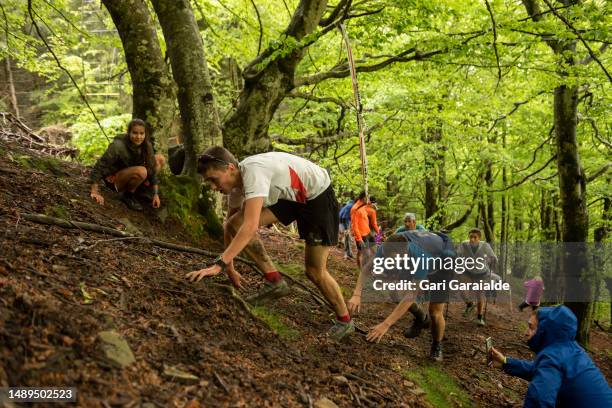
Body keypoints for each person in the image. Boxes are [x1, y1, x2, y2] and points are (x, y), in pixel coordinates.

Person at [185, 147, 354, 341]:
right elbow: (230, 226)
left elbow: (250, 227)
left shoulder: (254, 173)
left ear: (230, 168)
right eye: (209, 182)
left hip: (317, 196)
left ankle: (345, 321)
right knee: (235, 223)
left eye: (214, 180)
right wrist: (229, 267)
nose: (213, 187)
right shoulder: (237, 184)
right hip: (291, 197)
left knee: (314, 271)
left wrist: (219, 264)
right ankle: (275, 282)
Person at [490, 306, 612, 407]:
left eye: (531, 327)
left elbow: (538, 401)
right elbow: (539, 369)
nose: (526, 332)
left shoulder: (553, 356)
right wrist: (505, 362)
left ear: (544, 330)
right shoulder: (571, 349)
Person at [364, 230, 454, 361]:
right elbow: (367, 268)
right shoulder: (387, 247)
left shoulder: (420, 256)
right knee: (396, 291)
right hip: (420, 257)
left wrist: (386, 324)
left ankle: (437, 345)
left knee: (435, 312)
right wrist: (356, 294)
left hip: (443, 266)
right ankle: (421, 318)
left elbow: (411, 295)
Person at [89, 118, 164, 211]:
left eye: (141, 133)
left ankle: (142, 190)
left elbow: (151, 168)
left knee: (159, 159)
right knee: (142, 171)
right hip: (115, 179)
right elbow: (100, 165)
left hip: (131, 172)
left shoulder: (146, 145)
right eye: (135, 133)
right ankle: (128, 195)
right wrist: (94, 190)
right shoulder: (118, 146)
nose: (138, 137)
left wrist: (156, 194)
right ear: (129, 133)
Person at [456, 228, 497, 326]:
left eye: (475, 237)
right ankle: (469, 304)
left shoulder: (485, 246)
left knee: (480, 294)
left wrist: (492, 259)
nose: (472, 239)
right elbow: (458, 255)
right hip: (468, 271)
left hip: (482, 273)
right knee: (461, 289)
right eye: (471, 237)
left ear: (479, 238)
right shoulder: (464, 244)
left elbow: (493, 257)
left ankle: (479, 317)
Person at [350, 192, 376, 269]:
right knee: (364, 254)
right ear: (364, 198)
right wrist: (359, 239)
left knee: (373, 251)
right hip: (361, 235)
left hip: (368, 233)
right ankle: (363, 272)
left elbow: (369, 221)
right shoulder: (355, 208)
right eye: (368, 198)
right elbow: (354, 225)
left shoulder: (363, 207)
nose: (369, 200)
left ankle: (372, 269)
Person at [338, 195, 355, 260]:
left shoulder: (349, 204)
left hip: (343, 222)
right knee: (346, 238)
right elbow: (344, 216)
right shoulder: (351, 206)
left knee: (348, 238)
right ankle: (346, 254)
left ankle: (349, 253)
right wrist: (346, 228)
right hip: (344, 222)